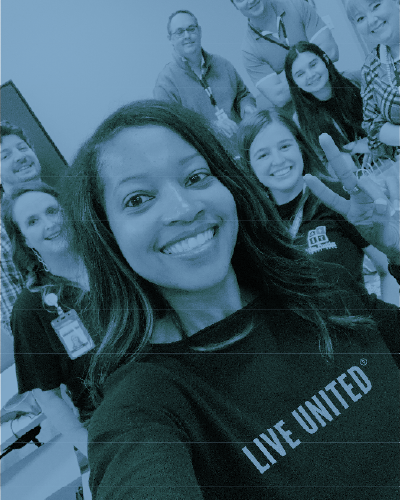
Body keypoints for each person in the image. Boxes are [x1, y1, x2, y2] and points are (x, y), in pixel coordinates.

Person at [61, 100, 399, 499]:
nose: (184, 209)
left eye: (196, 176)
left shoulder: (323, 288)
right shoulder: (143, 407)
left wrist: (396, 248)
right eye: (137, 199)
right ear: (108, 237)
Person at [237, 109, 398, 304]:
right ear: (250, 166)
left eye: (285, 146)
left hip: (360, 327)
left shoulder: (341, 199)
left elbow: (387, 270)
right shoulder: (252, 227)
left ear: (300, 147)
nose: (278, 161)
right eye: (262, 155)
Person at [2, 182, 94, 458]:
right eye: (33, 221)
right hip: (115, 416)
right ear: (26, 240)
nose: (50, 223)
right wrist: (86, 443)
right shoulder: (30, 309)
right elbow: (47, 394)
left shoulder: (113, 262)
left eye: (53, 211)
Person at [154, 10, 256, 141]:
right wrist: (211, 128)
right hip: (206, 155)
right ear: (170, 39)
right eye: (179, 32)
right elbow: (171, 128)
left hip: (242, 144)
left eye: (191, 29)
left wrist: (247, 108)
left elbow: (243, 95)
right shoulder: (165, 82)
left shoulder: (222, 64)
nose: (187, 36)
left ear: (200, 31)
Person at [229, 0, 339, 111]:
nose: (251, 1)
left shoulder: (297, 6)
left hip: (336, 94)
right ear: (235, 6)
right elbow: (279, 97)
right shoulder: (248, 50)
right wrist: (313, 61)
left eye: (313, 64)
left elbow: (331, 52)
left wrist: (284, 76)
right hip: (302, 116)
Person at [284, 41, 368, 164]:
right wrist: (353, 149)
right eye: (300, 74)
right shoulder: (299, 119)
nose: (310, 75)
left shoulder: (356, 80)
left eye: (313, 65)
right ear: (294, 83)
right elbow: (322, 162)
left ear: (325, 60)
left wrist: (373, 145)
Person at [1, 121, 42, 338]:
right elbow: (15, 319)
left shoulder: (68, 202)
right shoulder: (1, 235)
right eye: (5, 156)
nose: (19, 156)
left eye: (23, 148)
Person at [345, 0, 400, 160]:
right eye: (360, 18)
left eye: (376, 6)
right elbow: (372, 124)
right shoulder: (371, 67)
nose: (371, 21)